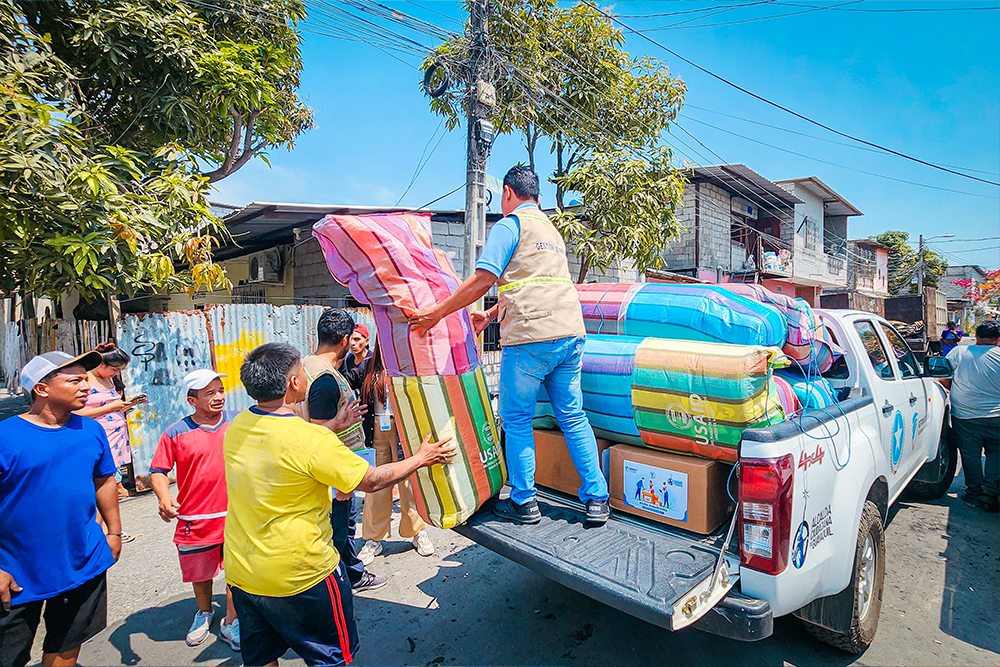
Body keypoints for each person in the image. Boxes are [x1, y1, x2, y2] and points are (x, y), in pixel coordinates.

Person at [223, 343, 455, 666]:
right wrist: (420, 458)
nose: (305, 373)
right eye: (300, 370)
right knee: (331, 658)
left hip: (244, 572)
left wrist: (333, 425)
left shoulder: (237, 427)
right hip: (302, 575)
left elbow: (289, 453)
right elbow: (372, 480)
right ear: (293, 384)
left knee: (262, 656)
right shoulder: (311, 440)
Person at [409, 165, 611, 527]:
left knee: (517, 419)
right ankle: (597, 499)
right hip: (570, 335)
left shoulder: (509, 226)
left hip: (530, 339)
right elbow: (534, 283)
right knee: (572, 415)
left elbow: (484, 278)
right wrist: (489, 316)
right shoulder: (551, 230)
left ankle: (524, 501)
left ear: (506, 193)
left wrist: (435, 314)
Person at [0, 351, 123, 667]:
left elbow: (104, 480)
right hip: (15, 572)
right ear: (42, 389)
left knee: (66, 644)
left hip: (83, 562)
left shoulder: (90, 430)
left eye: (86, 379)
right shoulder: (6, 437)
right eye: (75, 380)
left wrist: (113, 532)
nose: (86, 387)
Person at [149, 370, 239, 651]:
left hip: (237, 514)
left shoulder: (237, 422)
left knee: (237, 571)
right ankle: (204, 612)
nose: (219, 397)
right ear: (192, 400)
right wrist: (164, 497)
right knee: (200, 574)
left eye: (220, 390)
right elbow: (158, 470)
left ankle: (230, 621)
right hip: (195, 518)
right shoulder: (176, 432)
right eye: (209, 393)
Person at [298, 309, 383, 592]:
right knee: (341, 529)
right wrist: (341, 422)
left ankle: (351, 573)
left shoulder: (307, 365)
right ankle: (348, 578)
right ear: (345, 340)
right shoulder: (324, 379)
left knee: (340, 528)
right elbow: (318, 432)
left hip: (333, 469)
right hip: (335, 472)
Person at [356, 343, 434, 564]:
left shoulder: (410, 365)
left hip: (404, 430)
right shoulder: (369, 367)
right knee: (376, 482)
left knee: (408, 481)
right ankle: (373, 538)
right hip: (378, 430)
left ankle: (418, 532)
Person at [75, 342, 146, 508]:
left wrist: (125, 405)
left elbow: (110, 405)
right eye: (115, 369)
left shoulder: (109, 379)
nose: (117, 373)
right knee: (103, 466)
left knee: (114, 465)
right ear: (101, 364)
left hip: (116, 433)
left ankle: (117, 488)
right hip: (98, 433)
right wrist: (111, 407)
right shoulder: (85, 381)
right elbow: (76, 413)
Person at [946, 320, 1000, 513]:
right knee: (996, 454)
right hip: (997, 417)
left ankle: (974, 493)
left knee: (970, 455)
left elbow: (945, 378)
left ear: (976, 336)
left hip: (966, 416)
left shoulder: (960, 353)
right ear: (997, 339)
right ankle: (990, 494)